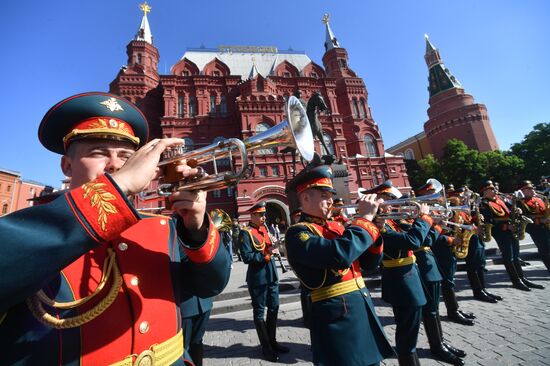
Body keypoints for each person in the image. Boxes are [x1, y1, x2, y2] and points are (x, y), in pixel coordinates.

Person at [0, 92, 231, 365]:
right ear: (66, 165)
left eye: (125, 156)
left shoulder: (161, 227)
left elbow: (211, 285)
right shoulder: (34, 229)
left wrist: (196, 228)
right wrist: (118, 186)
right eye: (98, 153)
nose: (115, 165)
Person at [284, 162, 394, 365]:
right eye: (325, 196)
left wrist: (375, 229)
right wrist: (364, 221)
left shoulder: (338, 226)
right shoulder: (298, 233)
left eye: (331, 196)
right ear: (306, 197)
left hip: (361, 305)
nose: (331, 201)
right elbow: (340, 255)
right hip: (336, 314)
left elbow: (369, 263)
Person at [365, 181, 432, 366]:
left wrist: (423, 219)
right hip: (401, 282)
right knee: (407, 336)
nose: (392, 204)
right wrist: (424, 219)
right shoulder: (377, 227)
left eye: (392, 199)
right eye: (386, 199)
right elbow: (413, 241)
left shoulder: (394, 222)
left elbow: (423, 236)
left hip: (410, 278)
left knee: (410, 331)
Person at [413, 182, 466, 366]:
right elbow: (422, 240)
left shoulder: (423, 215)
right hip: (422, 264)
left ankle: (440, 342)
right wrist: (437, 227)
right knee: (430, 309)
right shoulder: (413, 216)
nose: (435, 198)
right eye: (430, 195)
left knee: (434, 308)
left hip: (430, 263)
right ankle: (436, 346)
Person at [239, 201, 289, 362]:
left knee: (274, 307)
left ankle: (273, 341)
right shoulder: (245, 233)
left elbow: (269, 248)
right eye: (260, 215)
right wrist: (265, 255)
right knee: (259, 312)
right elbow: (246, 257)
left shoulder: (265, 229)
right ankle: (266, 347)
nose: (263, 217)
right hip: (258, 278)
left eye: (264, 214)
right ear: (252, 215)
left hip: (271, 275)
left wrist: (275, 246)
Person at [479, 180, 544, 291]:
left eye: (495, 188)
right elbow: (489, 222)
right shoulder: (484, 204)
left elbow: (510, 210)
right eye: (492, 189)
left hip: (512, 230)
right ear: (485, 191)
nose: (495, 190)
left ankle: (522, 278)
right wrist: (506, 227)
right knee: (508, 257)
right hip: (501, 232)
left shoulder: (501, 200)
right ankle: (516, 280)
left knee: (515, 256)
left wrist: (518, 210)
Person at [431, 188, 476, 326]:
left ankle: (454, 309)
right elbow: (431, 236)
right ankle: (453, 311)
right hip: (440, 250)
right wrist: (450, 240)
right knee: (447, 282)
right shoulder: (427, 213)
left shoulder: (438, 210)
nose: (440, 197)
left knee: (450, 281)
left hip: (448, 250)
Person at [517, 180, 550, 273]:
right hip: (536, 229)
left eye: (532, 188)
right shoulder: (520, 202)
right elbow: (523, 218)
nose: (532, 190)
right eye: (529, 188)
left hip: (546, 226)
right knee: (545, 250)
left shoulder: (539, 199)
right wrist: (540, 220)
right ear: (522, 191)